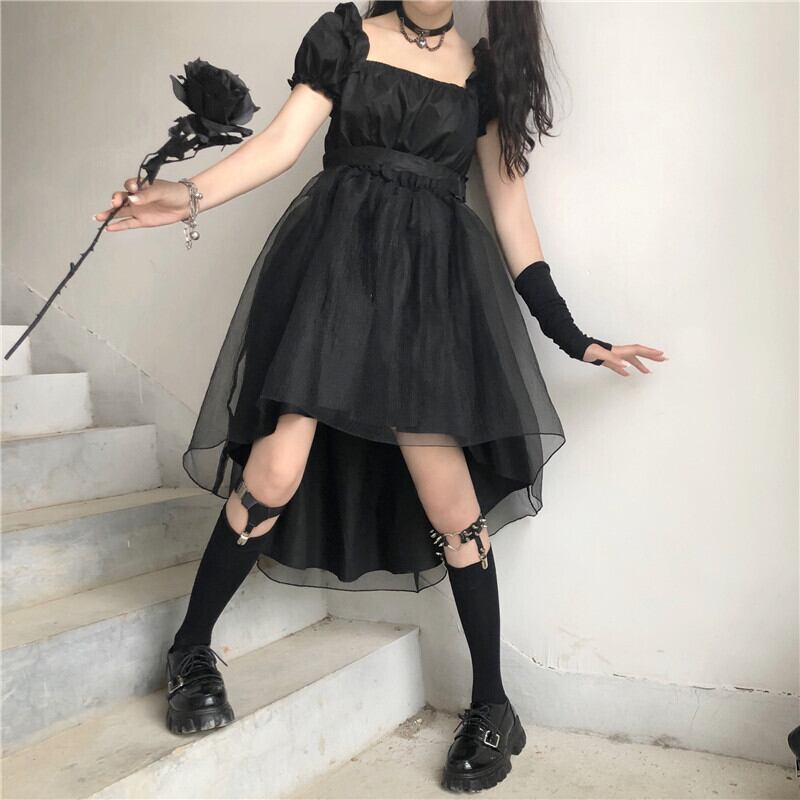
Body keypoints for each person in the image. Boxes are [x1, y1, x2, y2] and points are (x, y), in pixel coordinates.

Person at [94, 0, 665, 791]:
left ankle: (494, 705)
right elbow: (280, 144)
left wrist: (572, 336)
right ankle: (191, 647)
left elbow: (513, 218)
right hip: (334, 279)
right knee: (274, 472)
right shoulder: (345, 38)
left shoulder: (486, 76)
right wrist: (183, 196)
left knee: (451, 503)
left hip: (428, 298)